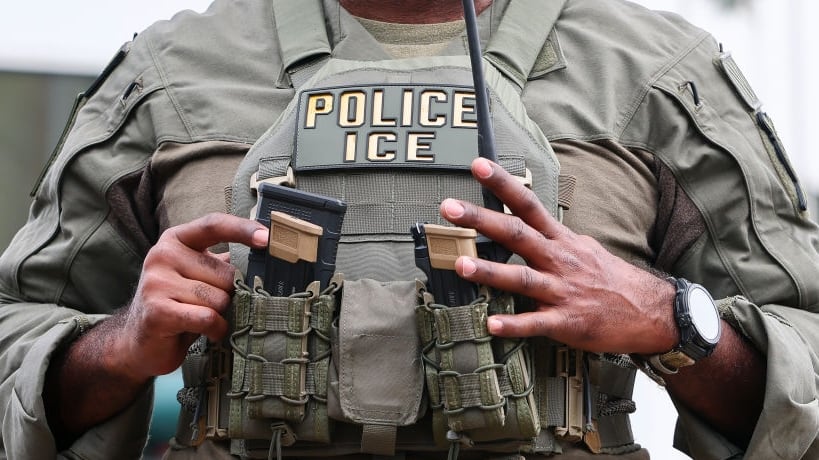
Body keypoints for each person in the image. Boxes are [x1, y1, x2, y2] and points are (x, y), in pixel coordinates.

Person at [1, 0, 817, 459]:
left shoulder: (656, 73)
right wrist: (120, 345)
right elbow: (19, 328)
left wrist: (668, 321)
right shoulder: (170, 72)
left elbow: (804, 352)